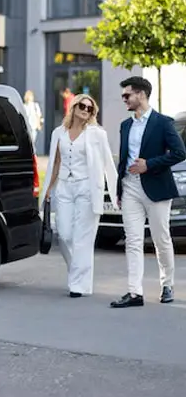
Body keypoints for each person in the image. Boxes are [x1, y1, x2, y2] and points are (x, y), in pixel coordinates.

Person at [111, 76, 186, 308]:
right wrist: (119, 189)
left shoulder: (163, 122)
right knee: (132, 240)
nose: (124, 99)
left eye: (127, 95)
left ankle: (167, 285)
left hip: (156, 186)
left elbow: (179, 152)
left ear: (141, 94)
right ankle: (135, 292)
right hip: (130, 186)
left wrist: (149, 164)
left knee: (161, 239)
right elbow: (123, 160)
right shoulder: (125, 125)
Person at [41, 94, 118, 297]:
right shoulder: (59, 132)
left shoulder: (97, 134)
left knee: (83, 239)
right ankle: (79, 273)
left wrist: (115, 190)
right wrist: (48, 188)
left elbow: (108, 163)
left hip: (87, 188)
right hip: (64, 187)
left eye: (90, 109)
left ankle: (78, 285)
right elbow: (56, 162)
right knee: (64, 234)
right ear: (73, 108)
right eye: (82, 106)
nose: (85, 110)